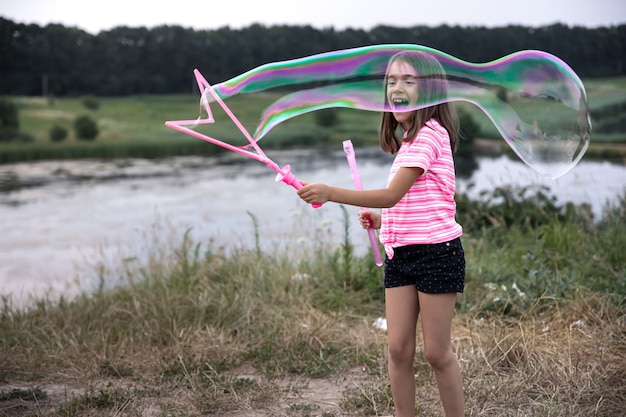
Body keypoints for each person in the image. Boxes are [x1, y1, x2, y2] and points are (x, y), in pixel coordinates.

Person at [297, 50, 465, 417]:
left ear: (432, 91)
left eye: (409, 80)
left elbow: (392, 195)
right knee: (397, 349)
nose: (397, 87)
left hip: (437, 254)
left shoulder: (430, 136)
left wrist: (330, 193)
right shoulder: (408, 140)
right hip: (400, 255)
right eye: (391, 80)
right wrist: (382, 221)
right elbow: (409, 204)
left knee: (437, 353)